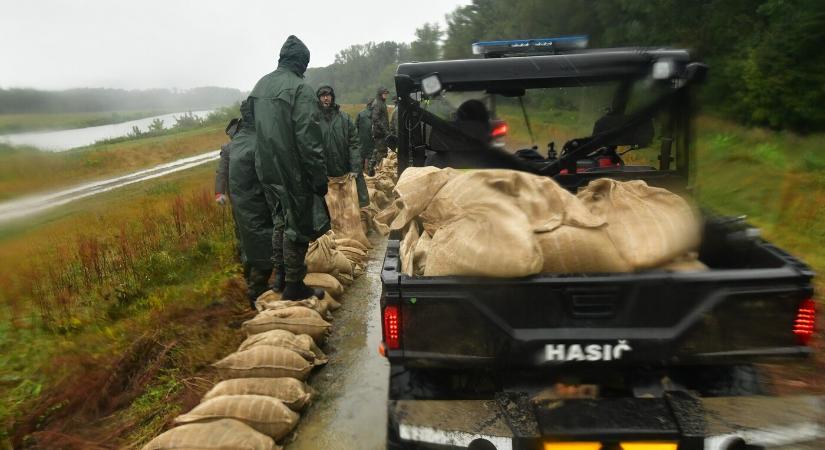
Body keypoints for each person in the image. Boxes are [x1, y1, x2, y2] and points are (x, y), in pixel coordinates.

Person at [249, 35, 327, 301]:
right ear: (301, 62)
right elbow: (308, 138)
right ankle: (294, 285)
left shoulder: (260, 85)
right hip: (291, 166)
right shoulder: (300, 88)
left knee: (279, 219)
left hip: (265, 165)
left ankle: (280, 278)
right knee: (297, 222)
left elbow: (251, 127)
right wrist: (318, 177)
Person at [228, 101, 274, 309]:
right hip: (257, 206)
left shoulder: (240, 139)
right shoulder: (256, 141)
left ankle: (256, 289)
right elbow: (267, 178)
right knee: (263, 253)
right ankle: (257, 297)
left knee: (253, 250)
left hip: (244, 206)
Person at [316, 85, 369, 207]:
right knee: (330, 209)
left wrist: (355, 168)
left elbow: (354, 143)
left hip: (346, 171)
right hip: (326, 174)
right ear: (318, 99)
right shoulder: (314, 120)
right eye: (322, 96)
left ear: (332, 97)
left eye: (328, 95)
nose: (325, 98)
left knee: (351, 206)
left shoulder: (345, 118)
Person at [214, 118, 240, 205]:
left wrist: (219, 193)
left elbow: (222, 171)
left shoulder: (227, 148)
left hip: (238, 195)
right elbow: (222, 171)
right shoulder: (227, 149)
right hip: (239, 195)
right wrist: (219, 192)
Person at [368, 86, 391, 174]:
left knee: (378, 150)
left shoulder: (381, 102)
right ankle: (378, 170)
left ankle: (371, 169)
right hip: (380, 133)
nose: (386, 95)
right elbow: (375, 119)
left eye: (386, 94)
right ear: (380, 94)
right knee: (381, 152)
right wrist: (385, 131)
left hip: (381, 132)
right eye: (384, 94)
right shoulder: (378, 103)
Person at [355, 99, 374, 172]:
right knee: (370, 155)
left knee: (361, 154)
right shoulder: (375, 114)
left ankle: (360, 171)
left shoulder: (360, 113)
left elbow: (355, 127)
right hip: (372, 138)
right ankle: (368, 171)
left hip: (361, 138)